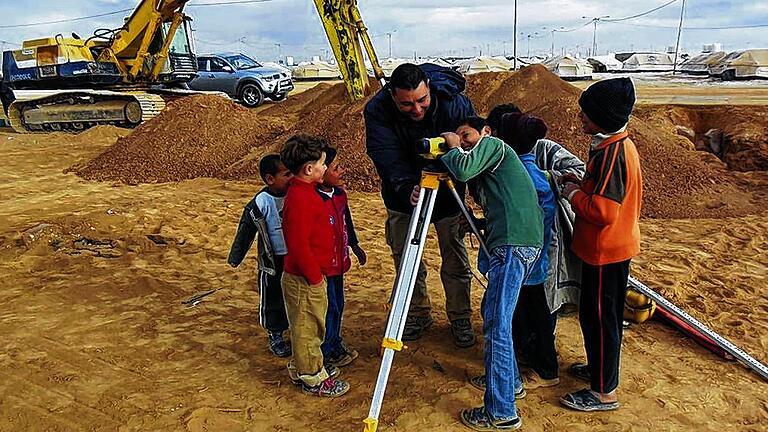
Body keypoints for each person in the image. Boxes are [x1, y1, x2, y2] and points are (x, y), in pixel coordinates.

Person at [365, 62, 477, 346]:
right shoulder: (377, 110)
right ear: (392, 96)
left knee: (454, 256)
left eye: (422, 101)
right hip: (403, 194)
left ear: (429, 87)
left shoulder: (454, 103)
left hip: (449, 191)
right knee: (406, 257)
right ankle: (416, 312)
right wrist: (404, 187)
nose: (417, 110)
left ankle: (460, 317)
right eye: (407, 104)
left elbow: (473, 146)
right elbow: (384, 153)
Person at [440, 124, 543, 431]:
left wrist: (452, 144)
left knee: (497, 323)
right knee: (493, 313)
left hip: (513, 247)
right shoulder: (490, 169)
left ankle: (501, 412)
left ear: (483, 131)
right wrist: (479, 223)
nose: (465, 142)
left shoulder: (494, 145)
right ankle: (508, 382)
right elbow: (506, 206)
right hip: (514, 244)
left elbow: (462, 169)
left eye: (468, 135)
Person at [559, 78, 642, 412]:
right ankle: (598, 372)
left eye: (586, 114)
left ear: (604, 117)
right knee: (593, 316)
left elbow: (604, 210)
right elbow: (605, 192)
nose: (580, 118)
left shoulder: (615, 153)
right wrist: (580, 182)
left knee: (601, 318)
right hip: (602, 249)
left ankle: (604, 391)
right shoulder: (608, 146)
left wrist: (572, 194)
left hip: (607, 251)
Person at [487, 103, 585, 359]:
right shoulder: (501, 156)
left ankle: (542, 356)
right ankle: (523, 349)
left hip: (545, 241)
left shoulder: (543, 150)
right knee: (520, 303)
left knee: (542, 302)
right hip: (522, 242)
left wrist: (548, 176)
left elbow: (581, 171)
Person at [280, 135, 349, 397]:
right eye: (322, 163)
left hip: (310, 276)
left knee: (310, 325)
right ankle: (312, 376)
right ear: (309, 169)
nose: (325, 167)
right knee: (308, 329)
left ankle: (306, 366)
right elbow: (298, 244)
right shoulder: (301, 199)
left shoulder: (305, 193)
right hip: (305, 278)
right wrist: (315, 278)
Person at [498, 113, 559, 389]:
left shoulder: (527, 177)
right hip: (533, 259)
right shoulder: (529, 170)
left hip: (531, 262)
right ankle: (525, 355)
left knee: (538, 316)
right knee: (524, 312)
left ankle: (545, 369)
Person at [227, 154, 294, 358]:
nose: (292, 178)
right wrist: (236, 257)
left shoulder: (297, 194)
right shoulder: (261, 202)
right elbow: (246, 230)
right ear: (270, 179)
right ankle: (275, 334)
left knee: (294, 296)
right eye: (286, 174)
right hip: (272, 262)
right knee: (272, 297)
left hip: (295, 258)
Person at [317, 146, 367, 368]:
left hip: (339, 262)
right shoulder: (312, 199)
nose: (342, 171)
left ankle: (334, 342)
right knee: (327, 307)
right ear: (320, 173)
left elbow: (347, 222)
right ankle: (325, 350)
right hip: (322, 266)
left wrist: (354, 246)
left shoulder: (339, 195)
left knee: (338, 304)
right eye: (336, 168)